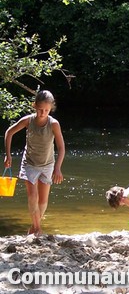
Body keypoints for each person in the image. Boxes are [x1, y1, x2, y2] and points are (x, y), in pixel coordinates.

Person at [4, 90, 65, 236]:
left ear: (51, 109)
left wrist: (58, 168)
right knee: (32, 196)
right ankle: (38, 229)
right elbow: (9, 133)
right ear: (34, 106)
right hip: (29, 163)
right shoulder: (28, 121)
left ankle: (34, 226)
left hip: (48, 164)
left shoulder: (53, 124)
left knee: (43, 201)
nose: (43, 113)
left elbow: (61, 148)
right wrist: (8, 155)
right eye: (40, 109)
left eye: (46, 110)